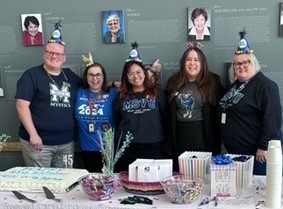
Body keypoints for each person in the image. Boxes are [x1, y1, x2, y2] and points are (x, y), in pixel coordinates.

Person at [15, 21, 82, 168]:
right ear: (44, 54)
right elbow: (21, 106)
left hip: (66, 143)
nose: (54, 56)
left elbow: (91, 86)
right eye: (50, 52)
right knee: (40, 183)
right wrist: (33, 135)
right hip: (38, 143)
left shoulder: (70, 76)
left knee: (65, 181)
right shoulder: (31, 75)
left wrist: (113, 84)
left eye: (58, 54)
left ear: (64, 58)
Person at [219, 30, 283, 175]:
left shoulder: (265, 86)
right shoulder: (233, 86)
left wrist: (264, 146)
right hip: (236, 155)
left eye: (245, 62)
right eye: (237, 64)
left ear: (253, 63)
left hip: (257, 155)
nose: (241, 66)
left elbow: (273, 120)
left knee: (258, 193)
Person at [166, 42, 224, 171]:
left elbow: (221, 109)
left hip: (204, 135)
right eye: (189, 59)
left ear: (202, 63)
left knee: (202, 174)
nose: (192, 63)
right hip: (180, 135)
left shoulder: (213, 81)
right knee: (182, 173)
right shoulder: (173, 82)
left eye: (196, 60)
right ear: (183, 62)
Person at [114, 42, 167, 172]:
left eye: (138, 72)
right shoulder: (120, 96)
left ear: (144, 73)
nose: (135, 76)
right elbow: (117, 119)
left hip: (153, 147)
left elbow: (165, 118)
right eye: (131, 74)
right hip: (128, 149)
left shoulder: (158, 93)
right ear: (126, 77)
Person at [75, 53, 118, 172]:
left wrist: (112, 83)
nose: (95, 79)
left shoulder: (113, 93)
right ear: (86, 77)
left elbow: (132, 86)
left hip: (108, 149)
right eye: (91, 75)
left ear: (104, 76)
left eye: (98, 75)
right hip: (86, 148)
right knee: (92, 183)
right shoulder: (79, 92)